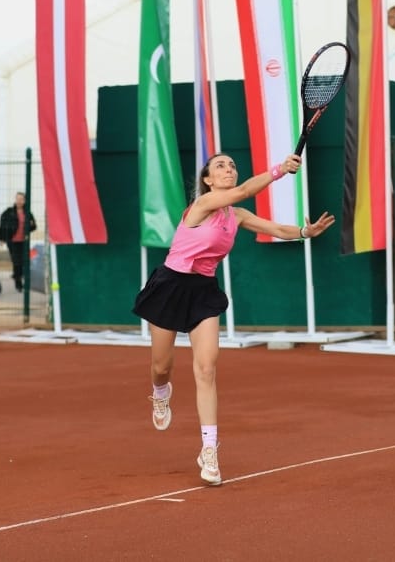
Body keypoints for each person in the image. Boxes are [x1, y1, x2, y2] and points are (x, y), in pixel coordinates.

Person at [132, 152, 335, 486]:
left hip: (203, 292)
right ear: (208, 180)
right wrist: (280, 170)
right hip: (170, 286)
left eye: (232, 165)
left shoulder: (237, 216)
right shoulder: (202, 205)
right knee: (161, 366)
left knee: (207, 368)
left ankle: (209, 449)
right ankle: (160, 391)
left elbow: (275, 228)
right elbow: (243, 191)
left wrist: (304, 231)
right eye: (220, 166)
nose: (228, 169)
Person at [0, 192, 37, 292]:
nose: (19, 201)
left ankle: (18, 276)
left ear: (24, 201)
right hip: (13, 241)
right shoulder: (9, 212)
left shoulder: (27, 212)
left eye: (21, 199)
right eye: (17, 199)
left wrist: (30, 226)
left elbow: (33, 226)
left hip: (24, 241)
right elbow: (3, 225)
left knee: (24, 261)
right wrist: (2, 238)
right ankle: (18, 283)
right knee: (16, 262)